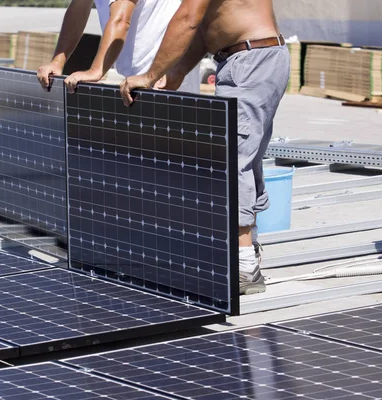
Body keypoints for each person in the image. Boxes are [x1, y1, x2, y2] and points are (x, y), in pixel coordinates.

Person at [119, 0, 290, 295]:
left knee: (231, 161)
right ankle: (248, 250)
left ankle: (244, 265)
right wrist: (179, 70)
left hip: (249, 59)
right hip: (258, 55)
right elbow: (207, 28)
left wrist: (148, 76)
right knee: (246, 157)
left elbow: (189, 19)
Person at [36, 0, 200, 94]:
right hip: (137, 74)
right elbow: (78, 10)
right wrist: (57, 61)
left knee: (170, 146)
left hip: (166, 72)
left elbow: (121, 20)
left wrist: (96, 71)